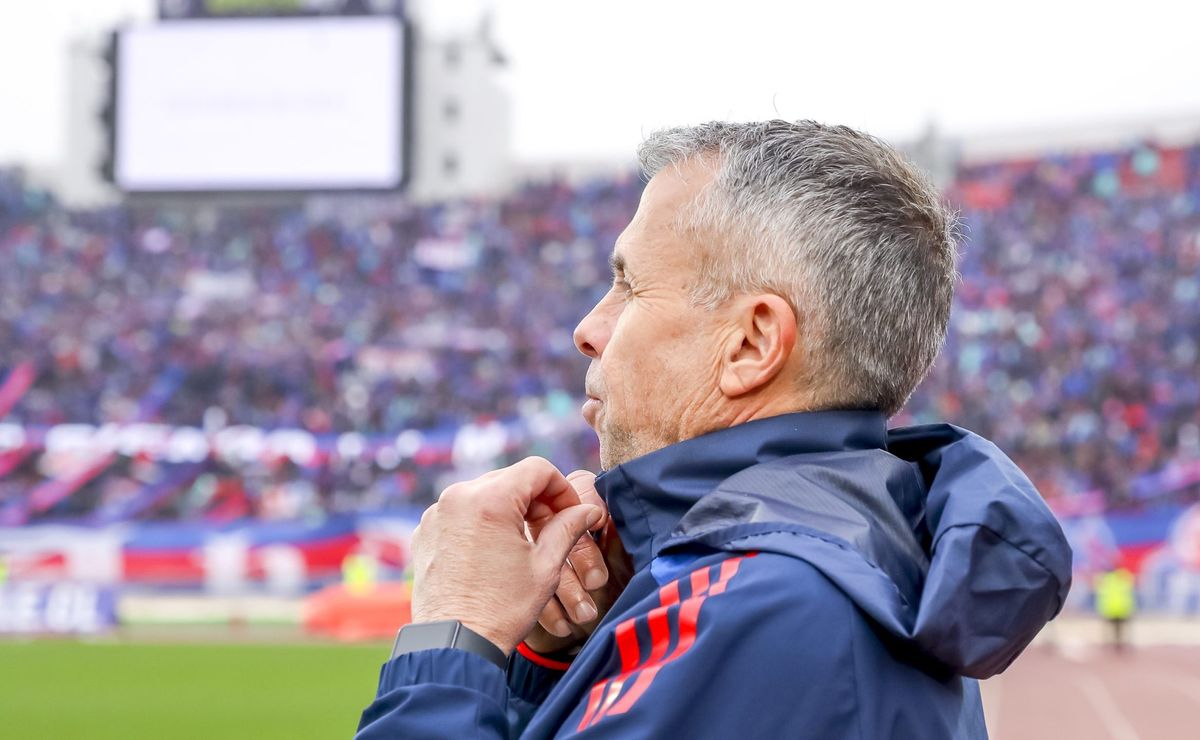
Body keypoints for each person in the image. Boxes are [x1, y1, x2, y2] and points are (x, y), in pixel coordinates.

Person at [355, 120, 1073, 738]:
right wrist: (551, 659)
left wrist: (454, 631)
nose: (587, 329)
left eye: (629, 285)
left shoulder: (765, 607)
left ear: (753, 344)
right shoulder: (846, 562)